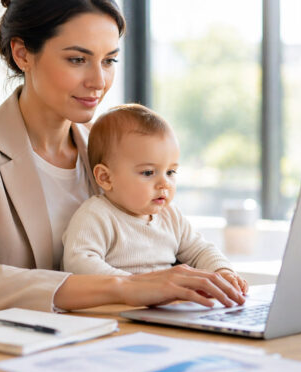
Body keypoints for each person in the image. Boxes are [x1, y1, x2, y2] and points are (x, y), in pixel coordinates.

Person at [0, 0, 246, 315]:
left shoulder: (113, 147)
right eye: (77, 60)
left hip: (95, 336)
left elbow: (168, 235)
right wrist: (126, 287)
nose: (99, 81)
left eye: (109, 60)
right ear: (22, 54)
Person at [62, 104, 249, 295]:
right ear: (106, 178)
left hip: (164, 304)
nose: (164, 183)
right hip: (119, 305)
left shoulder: (171, 215)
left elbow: (200, 250)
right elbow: (78, 263)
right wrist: (134, 285)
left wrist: (222, 271)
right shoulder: (96, 215)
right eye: (148, 172)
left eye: (170, 172)